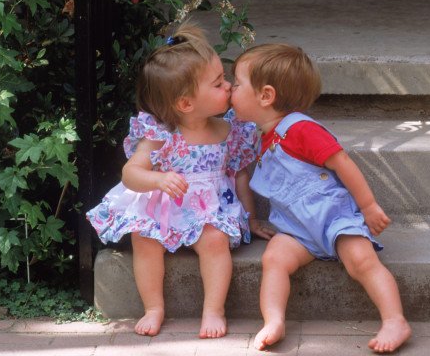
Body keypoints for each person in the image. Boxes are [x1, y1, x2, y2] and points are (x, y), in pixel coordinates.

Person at [86, 23, 274, 339]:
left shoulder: (229, 130)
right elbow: (130, 174)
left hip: (209, 210)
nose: (228, 86)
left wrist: (251, 218)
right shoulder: (161, 134)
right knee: (144, 240)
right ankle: (153, 307)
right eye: (218, 84)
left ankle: (214, 309)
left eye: (224, 80)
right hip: (164, 209)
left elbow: (240, 174)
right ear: (186, 103)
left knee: (215, 241)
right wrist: (157, 179)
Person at [230, 43, 412, 353]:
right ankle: (273, 320)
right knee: (274, 259)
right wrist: (254, 220)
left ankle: (395, 320)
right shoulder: (262, 134)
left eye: (235, 84)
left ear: (266, 96)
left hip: (333, 218)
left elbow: (342, 162)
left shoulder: (301, 129)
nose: (230, 90)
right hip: (296, 228)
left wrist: (368, 207)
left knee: (362, 261)